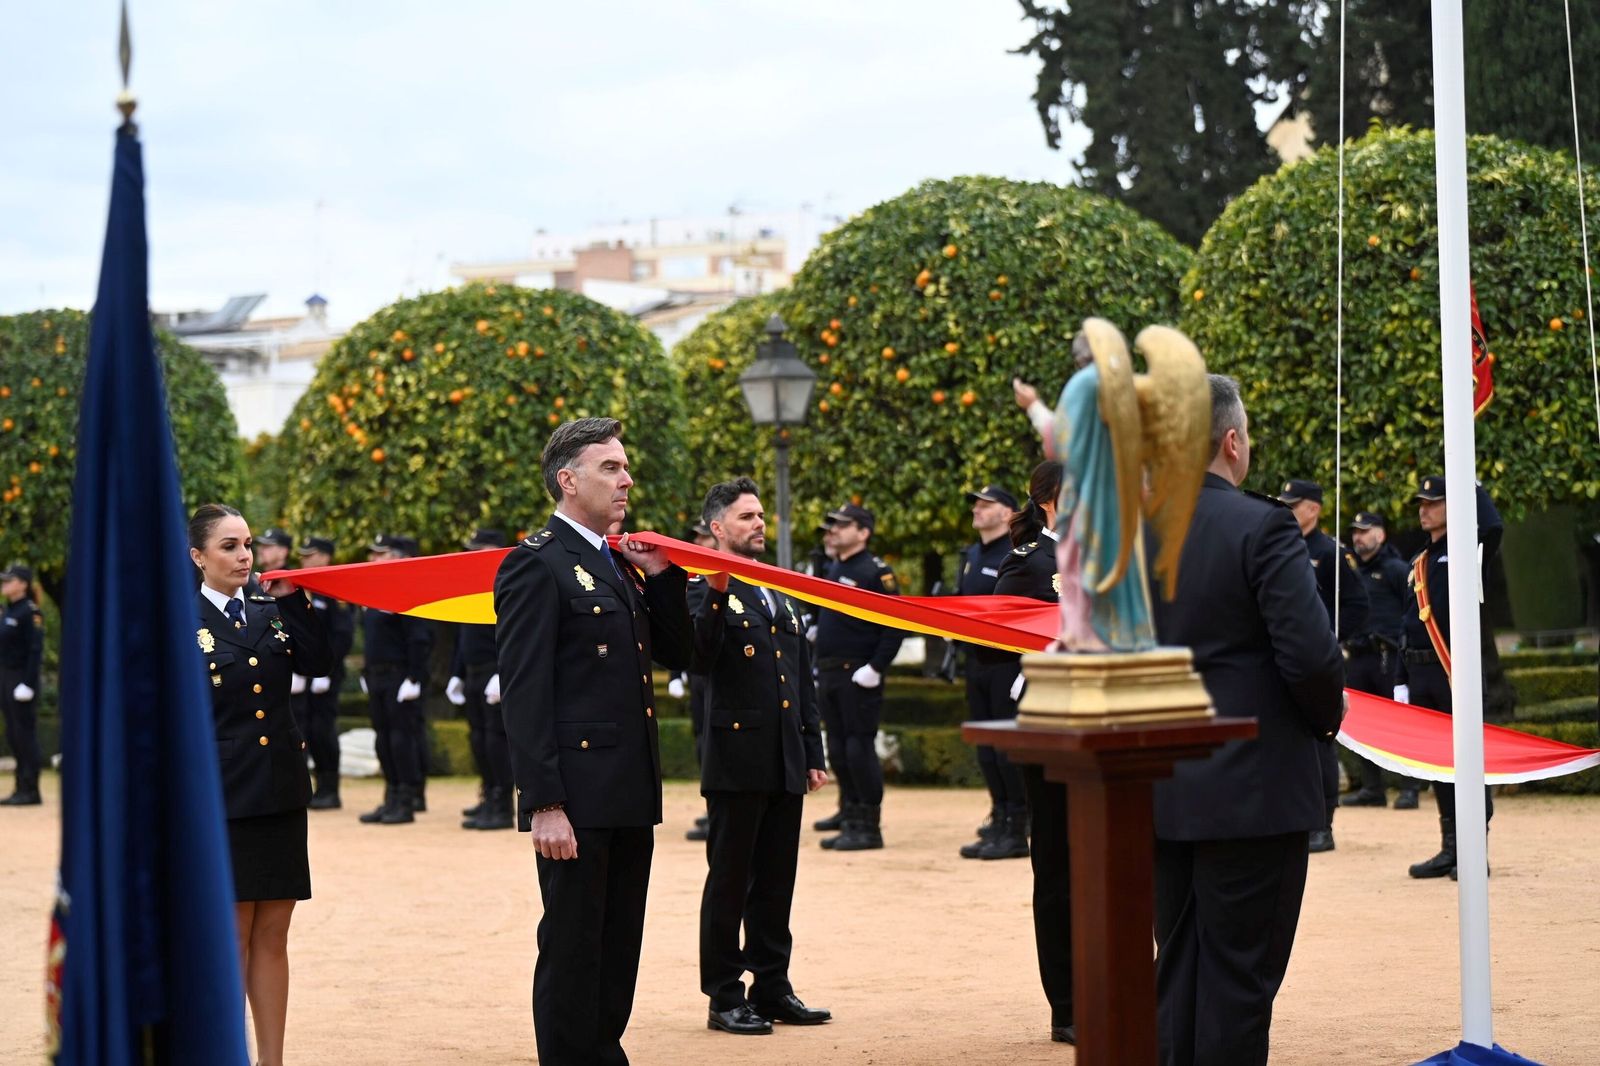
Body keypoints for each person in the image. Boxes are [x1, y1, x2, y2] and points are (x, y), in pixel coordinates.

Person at [1150, 376, 1345, 1066]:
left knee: (1176, 965)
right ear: (1231, 442)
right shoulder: (1263, 525)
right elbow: (1312, 657)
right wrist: (1326, 726)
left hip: (1154, 783)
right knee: (1240, 978)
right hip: (1253, 787)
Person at [494, 416, 692, 1065]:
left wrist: (663, 576)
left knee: (617, 942)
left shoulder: (619, 565)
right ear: (568, 480)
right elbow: (526, 693)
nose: (627, 478)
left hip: (629, 790)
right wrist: (544, 802)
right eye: (610, 468)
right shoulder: (536, 564)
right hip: (576, 797)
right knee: (574, 943)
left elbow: (681, 653)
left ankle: (603, 1052)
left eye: (626, 466)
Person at [188, 504, 333, 1066]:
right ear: (199, 556)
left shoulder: (273, 609)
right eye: (228, 546)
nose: (244, 555)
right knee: (231, 936)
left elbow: (320, 660)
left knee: (274, 932)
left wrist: (297, 599)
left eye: (247, 544)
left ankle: (271, 1060)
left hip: (278, 790)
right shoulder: (180, 617)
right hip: (219, 795)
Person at [690, 478, 831, 1036]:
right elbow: (698, 658)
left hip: (784, 757)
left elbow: (802, 677)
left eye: (760, 516)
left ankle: (772, 986)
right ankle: (724, 994)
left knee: (776, 880)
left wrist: (811, 748)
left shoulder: (780, 589)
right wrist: (720, 591)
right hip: (736, 756)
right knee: (729, 880)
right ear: (717, 528)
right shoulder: (702, 586)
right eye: (746, 517)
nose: (758, 524)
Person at [989, 462, 1075, 1044]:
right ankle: (1068, 1003)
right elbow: (993, 639)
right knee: (1061, 867)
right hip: (1052, 724)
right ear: (1047, 502)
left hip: (1116, 724)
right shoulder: (1028, 563)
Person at [1398, 474, 1504, 880]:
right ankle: (1451, 848)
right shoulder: (1419, 561)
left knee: (1469, 764)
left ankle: (1476, 851)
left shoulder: (1467, 551)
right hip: (1424, 673)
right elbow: (1408, 623)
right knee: (1440, 765)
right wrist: (1401, 678)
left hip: (1454, 674)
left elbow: (1493, 526)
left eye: (1434, 502)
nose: (1424, 510)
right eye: (1422, 504)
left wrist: (1471, 483)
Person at [1276, 478, 1370, 853]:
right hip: (1286, 659)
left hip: (1319, 660)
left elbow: (1358, 605)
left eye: (1293, 504)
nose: (1286, 509)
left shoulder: (1330, 552)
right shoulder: (1281, 545)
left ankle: (1323, 823)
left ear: (1312, 509)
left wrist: (1330, 639)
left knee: (1321, 741)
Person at [812, 502, 902, 850]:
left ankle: (868, 822)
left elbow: (894, 625)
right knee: (837, 747)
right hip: (832, 671)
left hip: (858, 672)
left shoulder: (876, 572)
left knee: (857, 748)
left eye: (842, 525)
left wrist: (877, 667)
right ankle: (849, 812)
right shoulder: (834, 567)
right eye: (832, 524)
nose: (833, 530)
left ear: (863, 532)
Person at [955, 483, 1028, 861]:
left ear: (1008, 513)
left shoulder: (1016, 555)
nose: (978, 510)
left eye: (987, 504)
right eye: (976, 504)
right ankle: (999, 817)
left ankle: (1017, 825)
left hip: (1006, 664)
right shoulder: (970, 555)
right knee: (986, 749)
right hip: (977, 662)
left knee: (1005, 749)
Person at [1341, 512, 1420, 809]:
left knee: (1401, 723)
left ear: (1381, 534)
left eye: (1365, 530)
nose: (1358, 537)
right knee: (1361, 724)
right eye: (1355, 531)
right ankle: (1372, 788)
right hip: (1358, 656)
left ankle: (1409, 787)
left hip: (1389, 656)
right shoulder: (1350, 572)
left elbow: (1411, 611)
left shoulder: (1397, 570)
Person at [358, 534, 434, 825]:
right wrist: (366, 672)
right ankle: (390, 795)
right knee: (383, 739)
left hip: (399, 676)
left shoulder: (406, 590)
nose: (375, 559)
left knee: (401, 739)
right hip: (378, 677)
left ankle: (406, 799)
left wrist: (415, 677)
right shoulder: (375, 591)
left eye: (382, 553)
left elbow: (418, 638)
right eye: (374, 554)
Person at [450, 528, 513, 831]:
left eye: (480, 549)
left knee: (496, 740)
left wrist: (504, 671)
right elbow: (464, 635)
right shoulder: (473, 584)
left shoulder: (508, 582)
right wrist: (457, 673)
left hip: (495, 671)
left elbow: (514, 635)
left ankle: (502, 804)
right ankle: (489, 794)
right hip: (475, 672)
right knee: (478, 738)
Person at [292, 536, 353, 810]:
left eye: (311, 554)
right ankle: (317, 786)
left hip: (327, 674)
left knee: (323, 729)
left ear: (325, 557)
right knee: (306, 730)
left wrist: (327, 670)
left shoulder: (332, 590)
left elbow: (342, 635)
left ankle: (330, 787)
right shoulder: (302, 588)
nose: (305, 559)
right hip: (306, 674)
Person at [678, 519, 717, 843]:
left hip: (722, 671)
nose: (700, 542)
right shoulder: (691, 576)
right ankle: (712, 807)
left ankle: (720, 808)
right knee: (704, 740)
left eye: (705, 536)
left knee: (721, 742)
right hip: (699, 672)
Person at [0, 564, 45, 806]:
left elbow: (35, 651)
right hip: (6, 678)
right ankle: (20, 787)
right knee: (13, 734)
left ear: (23, 584)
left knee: (24, 735)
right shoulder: (9, 611)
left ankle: (32, 789)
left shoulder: (30, 612)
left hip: (21, 679)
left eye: (10, 580)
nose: (5, 583)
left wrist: (27, 683)